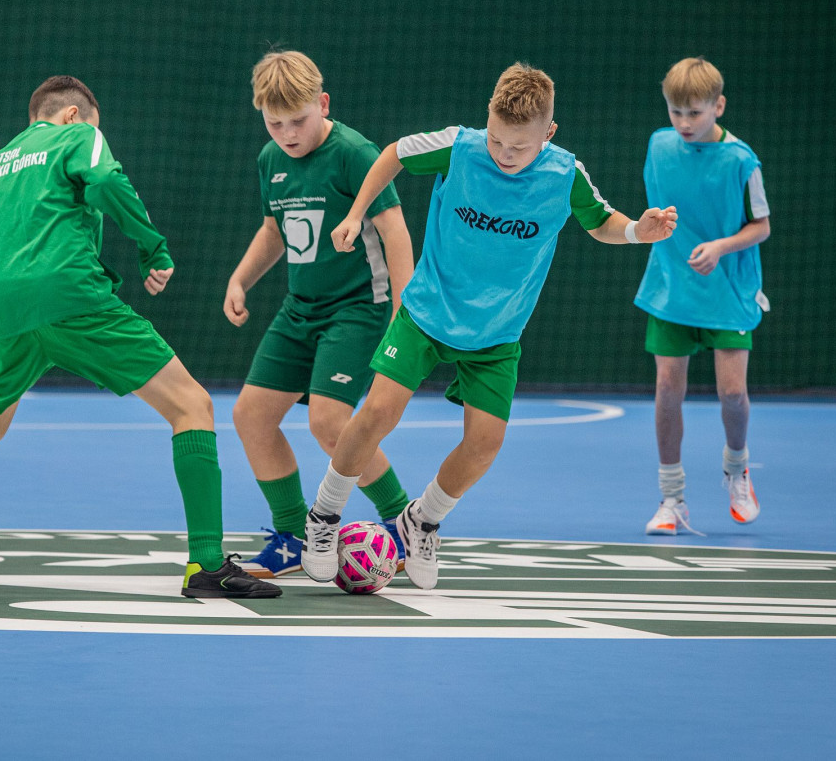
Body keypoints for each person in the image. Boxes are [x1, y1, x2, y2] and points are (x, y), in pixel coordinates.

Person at [0, 76, 280, 599]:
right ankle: (206, 565)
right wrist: (152, 248)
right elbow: (106, 181)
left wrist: (6, 311)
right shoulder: (78, 136)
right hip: (73, 298)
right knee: (192, 406)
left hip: (6, 316)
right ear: (73, 114)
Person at [299, 63, 677, 589]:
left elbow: (600, 222)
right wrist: (355, 213)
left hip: (497, 335)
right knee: (378, 412)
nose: (504, 153)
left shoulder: (565, 175)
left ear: (548, 133)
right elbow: (394, 154)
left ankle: (422, 520)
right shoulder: (459, 147)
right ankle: (323, 517)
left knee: (484, 445)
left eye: (519, 146)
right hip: (427, 312)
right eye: (497, 139)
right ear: (487, 121)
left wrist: (638, 230)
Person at [224, 50, 415, 577]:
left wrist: (404, 311)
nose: (288, 134)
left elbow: (395, 230)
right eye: (275, 123)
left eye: (299, 120)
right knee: (250, 416)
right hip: (299, 310)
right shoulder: (270, 160)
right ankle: (292, 537)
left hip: (357, 309)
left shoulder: (355, 152)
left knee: (329, 422)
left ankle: (404, 522)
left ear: (323, 104)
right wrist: (240, 279)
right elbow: (274, 230)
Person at [635, 57, 771, 536]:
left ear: (719, 106)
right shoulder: (658, 146)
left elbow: (762, 226)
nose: (684, 122)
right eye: (675, 112)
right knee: (667, 390)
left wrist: (719, 247)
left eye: (694, 112)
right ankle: (671, 499)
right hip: (671, 287)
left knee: (732, 393)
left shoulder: (742, 161)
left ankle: (737, 468)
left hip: (728, 290)